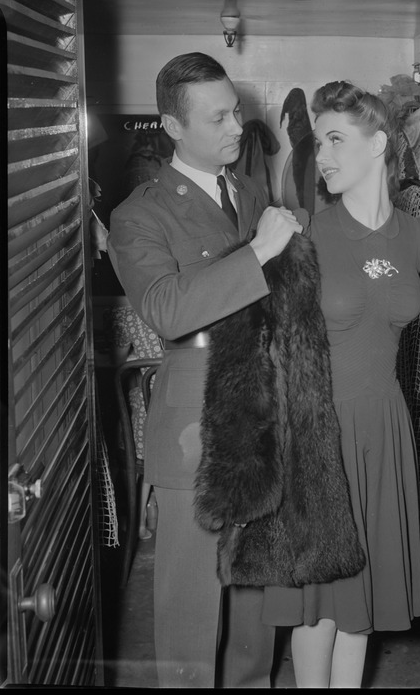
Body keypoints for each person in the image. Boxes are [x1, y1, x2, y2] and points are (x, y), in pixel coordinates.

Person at [106, 51, 303, 688]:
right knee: (191, 610)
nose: (236, 126)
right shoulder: (138, 214)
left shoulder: (249, 193)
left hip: (261, 415)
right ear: (171, 126)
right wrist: (263, 253)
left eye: (236, 111)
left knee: (254, 602)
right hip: (194, 425)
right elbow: (165, 309)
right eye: (217, 117)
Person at [261, 81, 420, 688]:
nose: (326, 155)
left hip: (386, 426)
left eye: (337, 139)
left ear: (379, 145)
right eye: (320, 142)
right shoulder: (306, 234)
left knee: (360, 605)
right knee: (319, 603)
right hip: (322, 429)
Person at [104, 301, 162, 539]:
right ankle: (153, 507)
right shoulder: (172, 302)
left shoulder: (127, 312)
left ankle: (138, 520)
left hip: (148, 421)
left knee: (131, 405)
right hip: (181, 408)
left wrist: (136, 356)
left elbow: (116, 361)